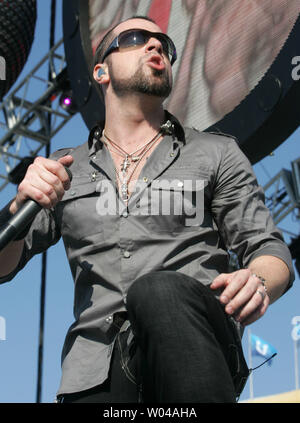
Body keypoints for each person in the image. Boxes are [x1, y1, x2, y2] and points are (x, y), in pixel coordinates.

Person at [0, 16, 294, 403]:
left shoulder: (215, 152)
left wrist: (256, 280)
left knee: (157, 291)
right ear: (101, 71)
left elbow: (271, 252)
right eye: (136, 39)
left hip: (193, 347)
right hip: (93, 371)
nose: (156, 47)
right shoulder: (65, 168)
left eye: (164, 44)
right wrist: (20, 205)